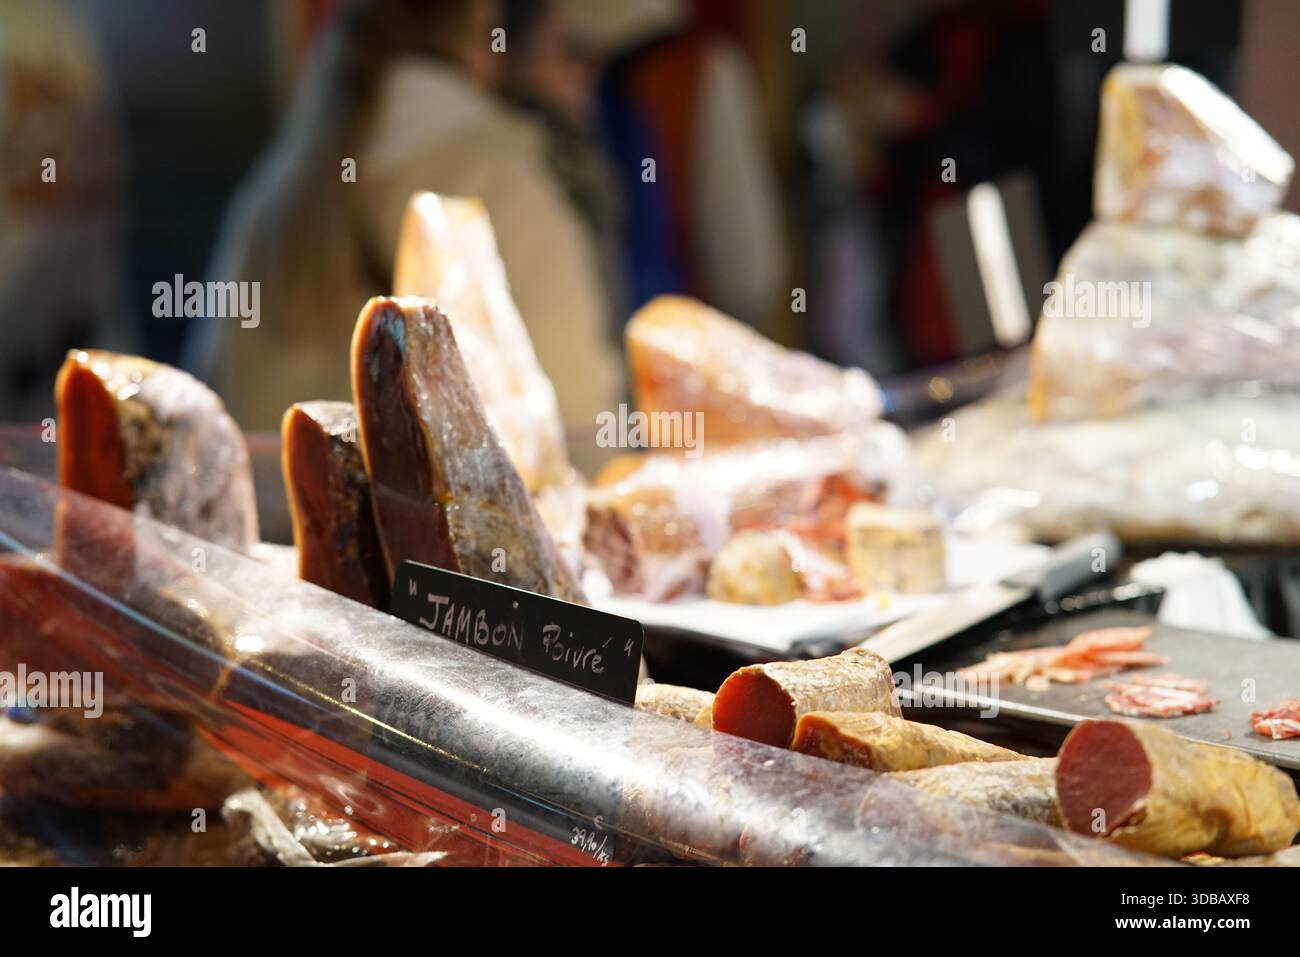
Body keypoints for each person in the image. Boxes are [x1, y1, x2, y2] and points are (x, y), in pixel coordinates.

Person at [196, 0, 624, 432]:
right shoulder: (503, 176)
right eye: (570, 49)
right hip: (459, 501)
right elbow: (580, 415)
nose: (587, 79)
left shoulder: (277, 191)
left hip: (274, 496)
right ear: (486, 34)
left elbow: (211, 396)